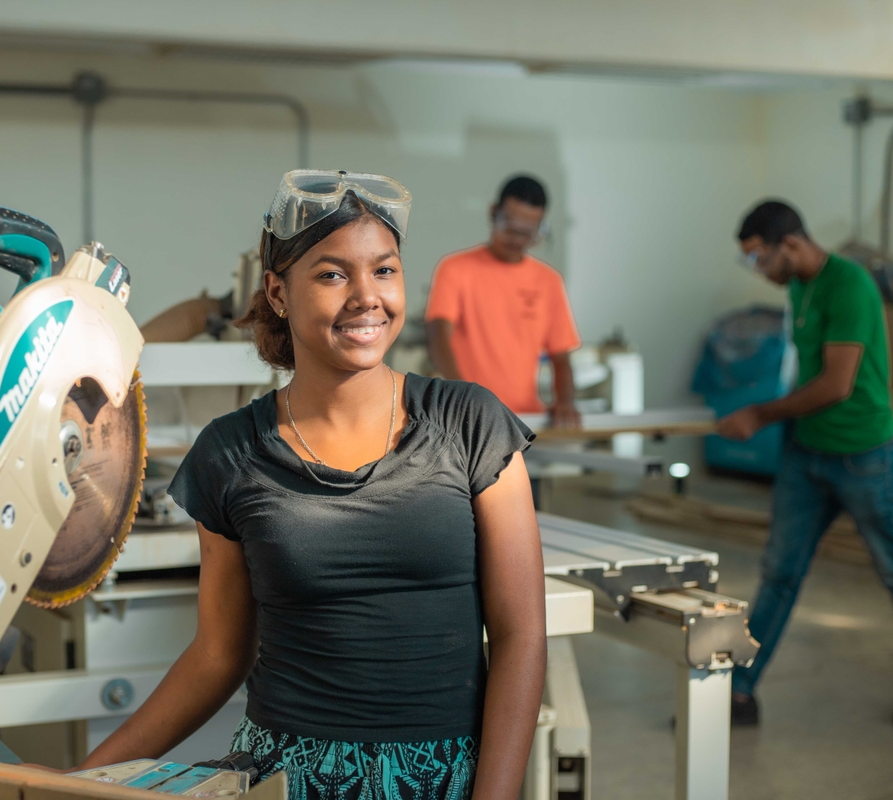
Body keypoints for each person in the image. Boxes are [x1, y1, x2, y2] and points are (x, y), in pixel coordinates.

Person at [80, 170, 548, 800]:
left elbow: (521, 636)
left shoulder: (470, 424)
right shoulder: (231, 453)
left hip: (443, 777)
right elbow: (218, 656)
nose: (366, 297)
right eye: (332, 275)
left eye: (384, 270)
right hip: (285, 777)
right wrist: (78, 782)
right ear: (278, 291)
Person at [718, 199, 893, 727]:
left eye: (759, 258)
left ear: (791, 244)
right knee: (779, 573)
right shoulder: (799, 286)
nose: (758, 270)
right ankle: (740, 692)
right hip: (808, 454)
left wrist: (760, 414)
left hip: (865, 455)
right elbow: (810, 374)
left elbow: (837, 384)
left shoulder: (851, 286)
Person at [425, 175, 581, 425]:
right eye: (510, 227)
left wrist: (565, 402)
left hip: (525, 420)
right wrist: (465, 397)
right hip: (469, 419)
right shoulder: (455, 269)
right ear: (493, 213)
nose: (517, 240)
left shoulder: (549, 281)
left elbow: (561, 358)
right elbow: (438, 337)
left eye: (527, 233)